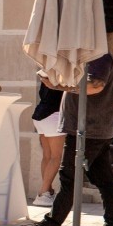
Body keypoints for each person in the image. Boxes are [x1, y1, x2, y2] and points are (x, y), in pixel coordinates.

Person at [19, 26, 113, 226]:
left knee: (69, 177)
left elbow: (95, 86)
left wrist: (63, 87)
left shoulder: (100, 57)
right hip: (93, 128)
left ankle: (51, 225)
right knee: (103, 179)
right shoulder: (95, 56)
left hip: (89, 129)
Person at [30, 79, 65, 207]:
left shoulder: (46, 73)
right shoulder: (62, 75)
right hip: (53, 115)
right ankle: (43, 192)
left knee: (47, 156)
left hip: (40, 115)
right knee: (56, 157)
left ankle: (47, 192)